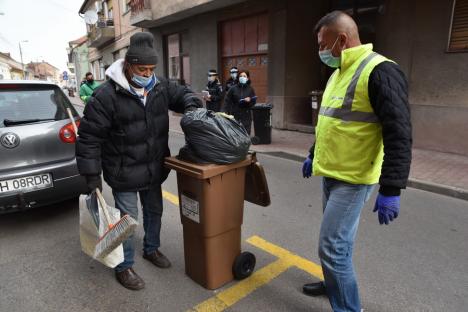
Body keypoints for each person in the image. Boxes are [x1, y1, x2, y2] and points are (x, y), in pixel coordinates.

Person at [301, 11, 412, 312]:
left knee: (332, 247)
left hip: (354, 179)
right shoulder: (338, 73)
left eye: (323, 44)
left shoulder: (381, 72)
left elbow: (399, 133)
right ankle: (332, 284)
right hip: (331, 173)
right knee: (337, 245)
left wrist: (391, 188)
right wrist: (313, 154)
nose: (320, 51)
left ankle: (349, 309)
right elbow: (330, 122)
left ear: (342, 40)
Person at [76, 32, 202, 291]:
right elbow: (89, 138)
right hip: (123, 171)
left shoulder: (160, 86)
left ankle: (152, 249)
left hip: (154, 167)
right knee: (128, 219)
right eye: (141, 68)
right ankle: (124, 266)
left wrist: (192, 106)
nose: (146, 73)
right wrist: (91, 175)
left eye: (151, 68)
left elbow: (184, 95)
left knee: (155, 211)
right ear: (128, 65)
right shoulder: (106, 96)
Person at [223, 70, 257, 135]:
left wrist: (249, 101)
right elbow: (227, 101)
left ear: (247, 78)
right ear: (238, 78)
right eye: (241, 76)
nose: (242, 77)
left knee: (246, 133)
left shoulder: (250, 89)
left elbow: (253, 102)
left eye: (244, 76)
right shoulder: (233, 88)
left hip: (246, 115)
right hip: (235, 114)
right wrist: (225, 111)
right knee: (235, 133)